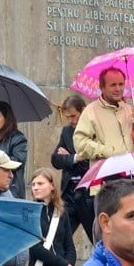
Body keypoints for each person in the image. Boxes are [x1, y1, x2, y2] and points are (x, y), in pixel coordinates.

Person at [73, 66, 134, 163]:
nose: (118, 89)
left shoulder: (129, 109)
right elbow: (80, 143)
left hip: (132, 172)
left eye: (121, 84)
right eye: (113, 85)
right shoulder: (91, 111)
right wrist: (107, 151)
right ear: (102, 87)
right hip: (106, 173)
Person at [51, 95, 93, 241]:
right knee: (59, 238)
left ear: (83, 111)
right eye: (68, 117)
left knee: (97, 239)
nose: (71, 120)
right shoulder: (67, 132)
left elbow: (92, 162)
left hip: (89, 195)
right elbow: (55, 160)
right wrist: (75, 157)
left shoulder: (94, 130)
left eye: (74, 116)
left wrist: (69, 158)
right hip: (69, 193)